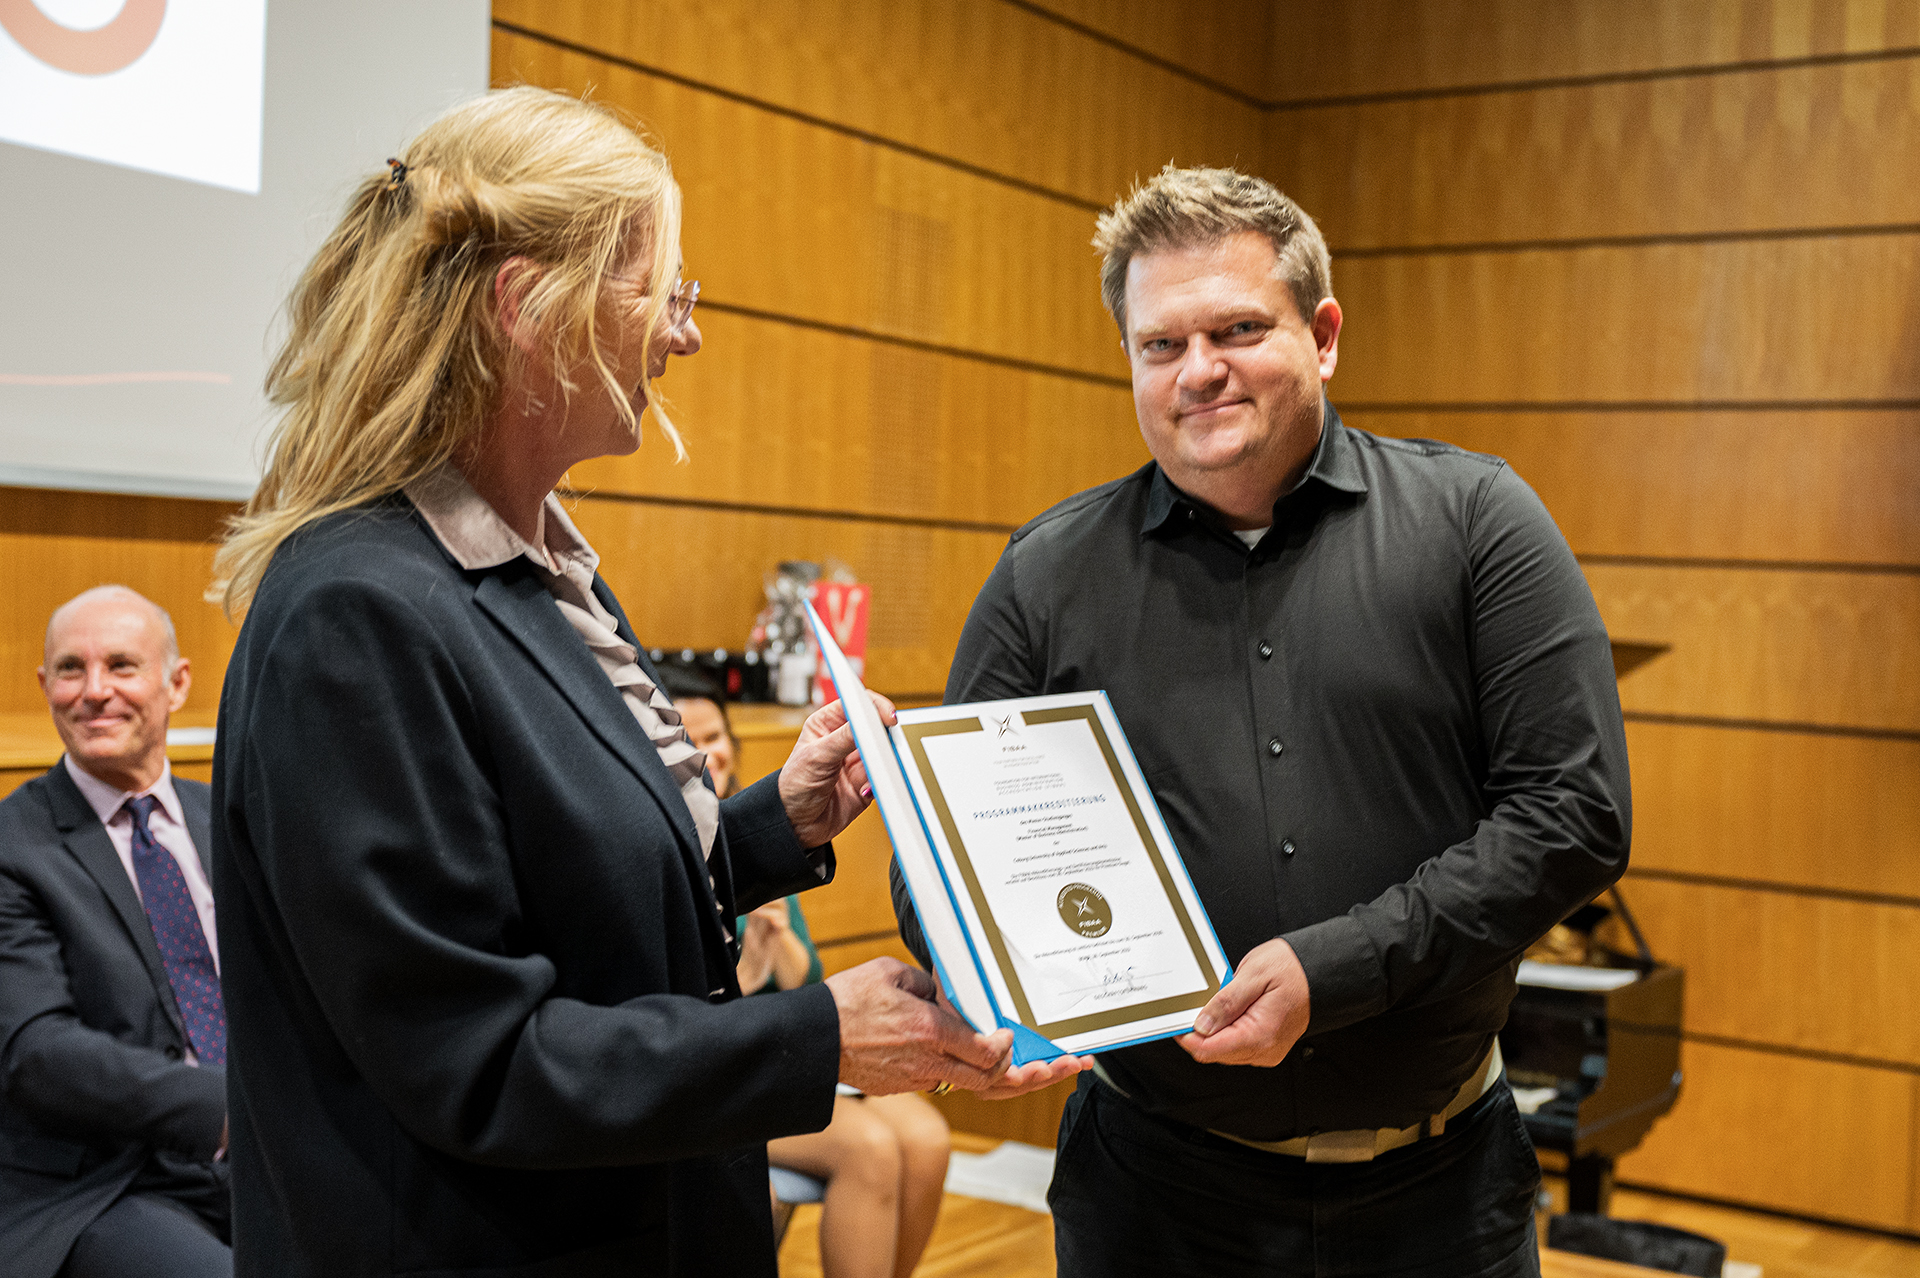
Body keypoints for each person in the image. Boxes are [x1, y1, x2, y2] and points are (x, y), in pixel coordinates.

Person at [205, 87, 1077, 1278]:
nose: (687, 334)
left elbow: (576, 896)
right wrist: (818, 1033)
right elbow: (481, 1061)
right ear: (529, 306)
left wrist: (778, 821)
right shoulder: (356, 614)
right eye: (664, 290)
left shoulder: (536, 560)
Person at [893, 165, 1631, 1276]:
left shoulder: (1480, 523)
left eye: (1238, 329)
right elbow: (945, 860)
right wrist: (990, 976)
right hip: (1156, 1197)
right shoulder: (1045, 576)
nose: (1199, 373)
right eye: (1160, 345)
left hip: (1437, 1202)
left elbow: (1574, 815)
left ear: (1323, 334)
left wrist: (1334, 969)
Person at [658, 667, 952, 1278]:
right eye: (693, 737)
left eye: (718, 736)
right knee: (870, 1150)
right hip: (725, 1068)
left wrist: (777, 936)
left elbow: (806, 976)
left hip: (785, 1042)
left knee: (926, 1139)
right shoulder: (666, 846)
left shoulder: (747, 838)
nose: (709, 751)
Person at [0, 586, 231, 1278]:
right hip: (100, 1184)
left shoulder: (228, 816)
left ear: (176, 683)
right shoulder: (12, 846)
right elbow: (36, 1053)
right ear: (45, 686)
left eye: (122, 666)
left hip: (266, 1150)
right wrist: (223, 1110)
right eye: (71, 669)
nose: (95, 691)